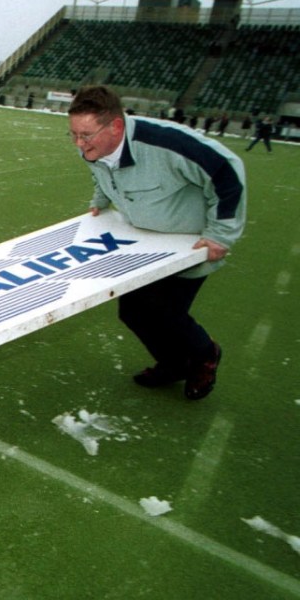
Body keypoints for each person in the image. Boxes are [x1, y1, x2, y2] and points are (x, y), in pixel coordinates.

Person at [67, 85, 246, 400]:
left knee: (167, 312)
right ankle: (175, 363)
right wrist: (100, 200)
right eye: (74, 135)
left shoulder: (166, 143)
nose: (80, 145)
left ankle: (205, 355)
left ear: (116, 127)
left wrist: (220, 233)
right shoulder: (96, 146)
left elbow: (226, 170)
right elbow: (102, 174)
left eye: (86, 136)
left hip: (189, 245)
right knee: (132, 312)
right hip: (144, 244)